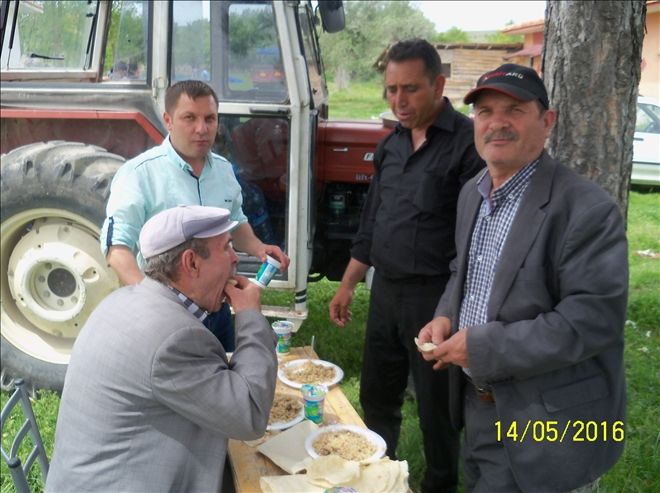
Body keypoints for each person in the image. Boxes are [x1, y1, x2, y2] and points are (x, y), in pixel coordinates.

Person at [418, 64, 627, 493]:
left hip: (548, 422)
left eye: (514, 110)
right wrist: (445, 315)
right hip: (478, 406)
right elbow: (464, 271)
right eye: (485, 111)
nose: (497, 123)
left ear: (547, 121)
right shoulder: (473, 191)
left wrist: (480, 347)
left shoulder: (587, 209)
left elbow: (591, 321)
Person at [328, 39, 485, 493]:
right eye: (392, 89)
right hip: (386, 291)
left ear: (438, 85)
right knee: (377, 397)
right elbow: (372, 221)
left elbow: (476, 236)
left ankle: (440, 484)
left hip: (436, 299)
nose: (399, 100)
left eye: (411, 89)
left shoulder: (466, 145)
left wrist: (457, 308)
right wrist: (348, 284)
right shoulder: (390, 146)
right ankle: (379, 479)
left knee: (437, 409)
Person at [46, 205, 278, 492]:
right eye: (226, 247)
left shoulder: (123, 299)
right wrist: (250, 316)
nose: (235, 258)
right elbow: (249, 415)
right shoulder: (174, 338)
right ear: (191, 262)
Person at [100, 80, 289, 351]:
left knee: (225, 371)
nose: (202, 129)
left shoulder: (223, 170)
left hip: (218, 306)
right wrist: (151, 302)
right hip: (166, 316)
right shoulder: (139, 174)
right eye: (189, 118)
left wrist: (259, 248)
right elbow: (116, 249)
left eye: (210, 119)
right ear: (168, 120)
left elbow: (236, 222)